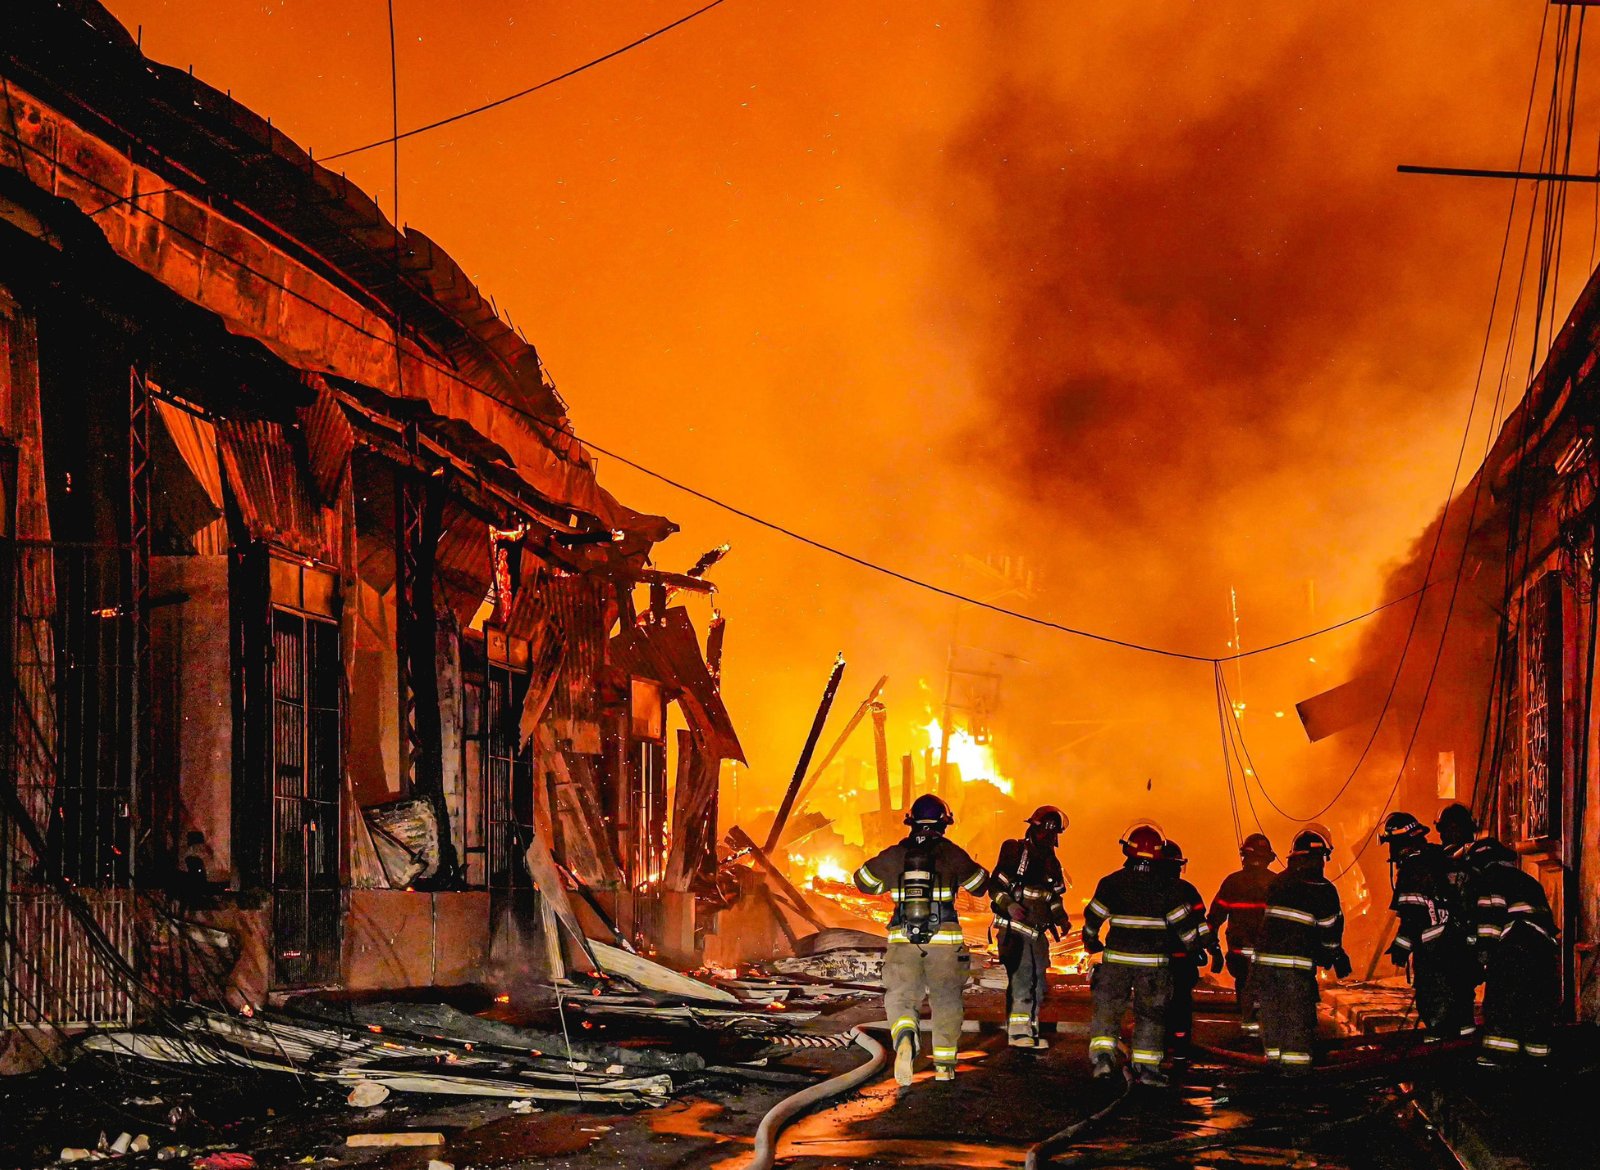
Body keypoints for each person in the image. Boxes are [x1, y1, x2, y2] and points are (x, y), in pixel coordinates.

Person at [855, 793, 990, 1086]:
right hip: (944, 941)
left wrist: (889, 878)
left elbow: (863, 881)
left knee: (902, 996)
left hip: (903, 941)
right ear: (944, 823)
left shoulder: (896, 854)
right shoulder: (951, 853)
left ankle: (905, 1037)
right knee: (946, 998)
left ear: (911, 822)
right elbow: (980, 886)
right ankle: (944, 1064)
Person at [1081, 821, 1203, 1087]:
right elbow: (1184, 927)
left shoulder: (1111, 883)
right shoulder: (1168, 888)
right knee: (1151, 1015)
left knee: (1108, 1011)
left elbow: (1092, 918)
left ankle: (1102, 1061)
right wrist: (1197, 951)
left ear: (1128, 850)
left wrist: (1091, 942)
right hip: (1154, 967)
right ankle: (1147, 1069)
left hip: (1116, 963)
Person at [1254, 826, 1350, 1072]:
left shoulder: (1278, 882)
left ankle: (1273, 1067)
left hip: (1264, 966)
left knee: (1272, 1017)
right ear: (1318, 858)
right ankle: (1296, 1076)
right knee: (1297, 1020)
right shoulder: (1322, 888)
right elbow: (1329, 931)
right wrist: (1335, 956)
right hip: (1295, 969)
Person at [1379, 811, 1476, 1039]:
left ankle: (1438, 1067)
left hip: (1435, 957)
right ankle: (1465, 1060)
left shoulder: (1413, 869)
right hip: (1460, 951)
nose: (1391, 851)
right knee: (1462, 1011)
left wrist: (1401, 947)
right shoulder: (1439, 857)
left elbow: (1413, 916)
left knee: (1436, 1013)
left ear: (1400, 841)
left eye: (1391, 843)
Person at [1464, 837, 1558, 1067]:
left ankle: (1498, 1057)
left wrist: (1481, 955)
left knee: (1502, 1003)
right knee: (1534, 1005)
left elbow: (1489, 923)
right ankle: (1537, 1059)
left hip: (1514, 949)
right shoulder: (1528, 880)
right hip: (1542, 952)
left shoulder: (1489, 879)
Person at [989, 806, 1072, 1049]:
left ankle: (1030, 1029)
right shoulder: (1014, 852)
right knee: (1022, 978)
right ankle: (1017, 1033)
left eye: (1053, 832)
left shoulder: (1051, 863)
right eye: (1046, 831)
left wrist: (1061, 918)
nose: (1049, 837)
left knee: (1038, 982)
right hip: (1013, 930)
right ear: (1033, 828)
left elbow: (1054, 897)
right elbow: (995, 888)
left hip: (1037, 933)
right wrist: (1011, 905)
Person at [1155, 840, 1220, 1060]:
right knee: (1180, 1004)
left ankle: (1158, 1047)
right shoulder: (1186, 890)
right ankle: (1179, 1048)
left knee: (1155, 1004)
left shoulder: (1146, 889)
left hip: (1154, 961)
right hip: (1182, 960)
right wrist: (1211, 947)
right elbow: (1200, 923)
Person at [1207, 833, 1277, 1036]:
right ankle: (1266, 1034)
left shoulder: (1233, 882)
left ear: (1244, 856)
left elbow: (1214, 919)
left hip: (1239, 952)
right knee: (1267, 991)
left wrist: (1213, 948)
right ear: (1267, 858)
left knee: (1245, 987)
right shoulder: (1277, 883)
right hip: (1269, 954)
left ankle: (1249, 1034)